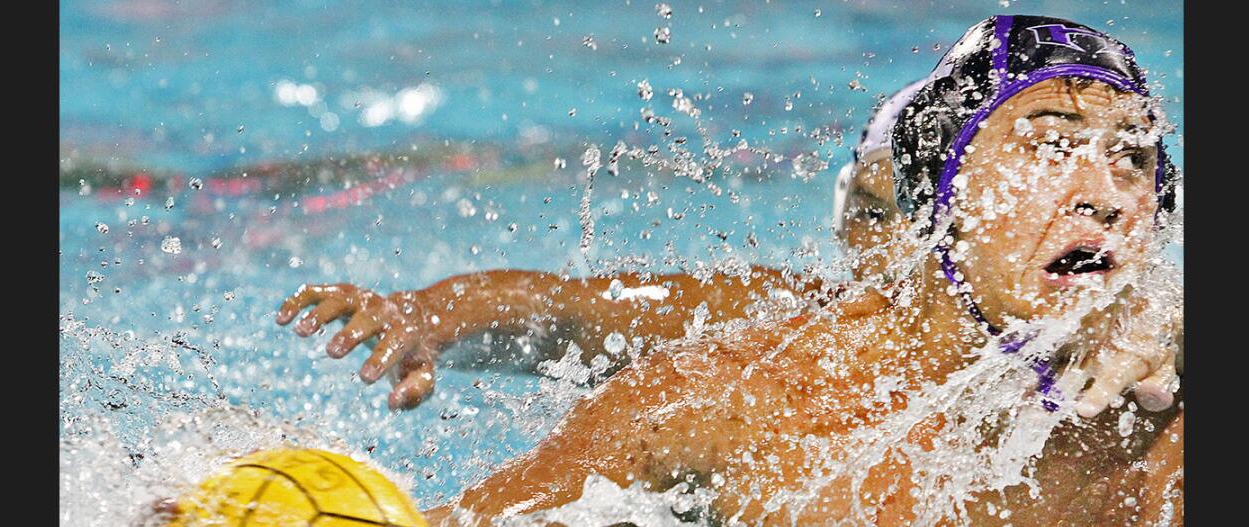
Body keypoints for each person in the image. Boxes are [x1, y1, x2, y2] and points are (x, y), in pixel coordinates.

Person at [283, 14, 1184, 527]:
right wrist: (429, 317)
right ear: (925, 212)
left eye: (1134, 159)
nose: (1104, 194)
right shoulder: (747, 391)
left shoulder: (1161, 409)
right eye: (1051, 143)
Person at [276, 83, 924, 409]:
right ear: (841, 223)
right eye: (874, 212)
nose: (904, 251)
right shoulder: (799, 325)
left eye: (930, 215)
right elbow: (575, 316)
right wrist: (427, 317)